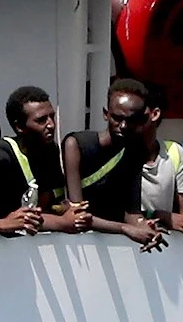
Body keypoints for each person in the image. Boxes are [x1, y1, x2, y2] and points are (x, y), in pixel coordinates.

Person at [64, 79, 167, 250]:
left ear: (142, 119)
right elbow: (78, 214)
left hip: (111, 245)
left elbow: (132, 212)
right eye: (117, 118)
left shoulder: (135, 150)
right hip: (79, 247)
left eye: (131, 120)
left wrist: (145, 228)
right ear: (106, 114)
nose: (123, 126)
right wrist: (125, 229)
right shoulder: (76, 145)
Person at [0, 86, 85, 233]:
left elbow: (53, 201)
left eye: (52, 116)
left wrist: (62, 208)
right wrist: (63, 221)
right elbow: (14, 219)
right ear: (19, 126)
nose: (51, 125)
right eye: (41, 120)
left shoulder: (50, 150)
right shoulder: (3, 156)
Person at [133, 83, 183, 235]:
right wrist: (161, 216)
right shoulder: (115, 153)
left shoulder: (175, 152)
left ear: (154, 114)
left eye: (134, 111)